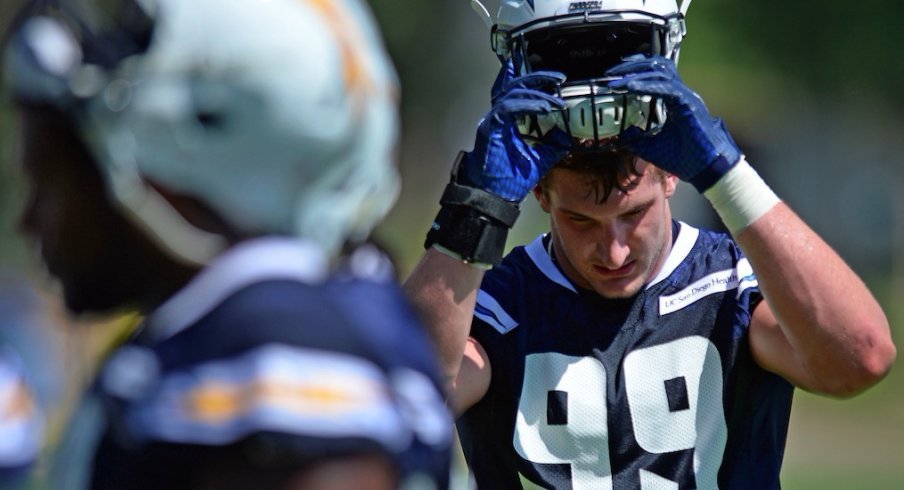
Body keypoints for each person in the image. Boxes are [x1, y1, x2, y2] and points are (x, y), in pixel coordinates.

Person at [403, 0, 896, 488]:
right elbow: (398, 403)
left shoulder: (727, 282)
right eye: (581, 220)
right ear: (539, 193)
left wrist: (727, 176)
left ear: (670, 176)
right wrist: (473, 214)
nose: (614, 251)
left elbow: (861, 359)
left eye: (633, 214)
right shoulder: (498, 305)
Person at [2, 0, 452, 489]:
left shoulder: (271, 347)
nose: (29, 218)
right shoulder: (314, 312)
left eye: (48, 180)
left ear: (170, 153)